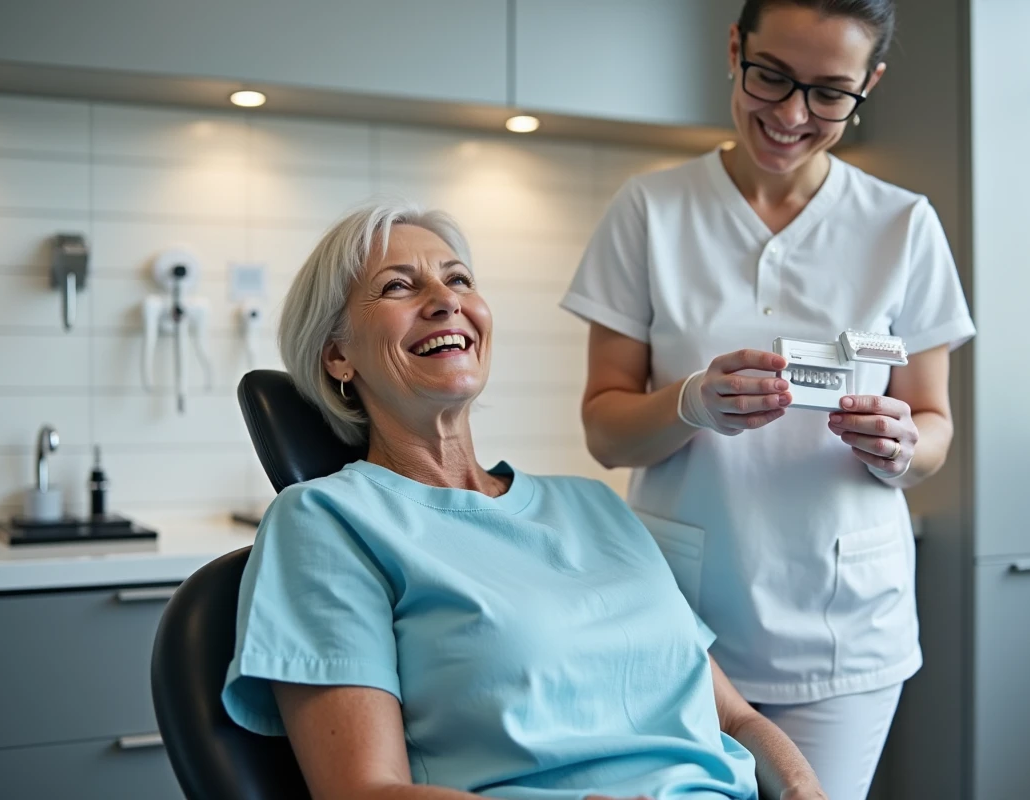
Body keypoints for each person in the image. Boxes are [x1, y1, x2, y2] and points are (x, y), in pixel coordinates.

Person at [220, 201, 828, 800]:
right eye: (399, 287)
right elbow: (364, 792)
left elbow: (734, 721)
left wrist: (804, 791)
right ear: (337, 354)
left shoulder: (595, 506)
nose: (445, 300)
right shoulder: (327, 523)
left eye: (458, 279)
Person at [560, 2, 975, 798]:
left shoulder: (904, 226)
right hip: (682, 620)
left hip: (846, 631)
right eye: (771, 76)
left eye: (829, 93)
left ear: (870, 86)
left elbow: (934, 428)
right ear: (734, 49)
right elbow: (606, 431)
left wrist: (901, 443)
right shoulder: (648, 211)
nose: (790, 115)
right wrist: (688, 403)